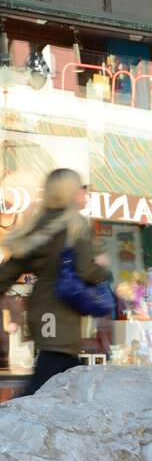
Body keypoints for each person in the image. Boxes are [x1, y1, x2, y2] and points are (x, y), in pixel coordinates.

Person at [0, 169, 111, 396]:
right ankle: (14, 420)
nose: (85, 193)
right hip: (57, 315)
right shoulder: (75, 224)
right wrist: (102, 267)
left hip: (44, 310)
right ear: (69, 192)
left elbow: (8, 273)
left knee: (67, 376)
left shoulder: (39, 225)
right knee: (48, 377)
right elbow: (86, 271)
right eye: (81, 188)